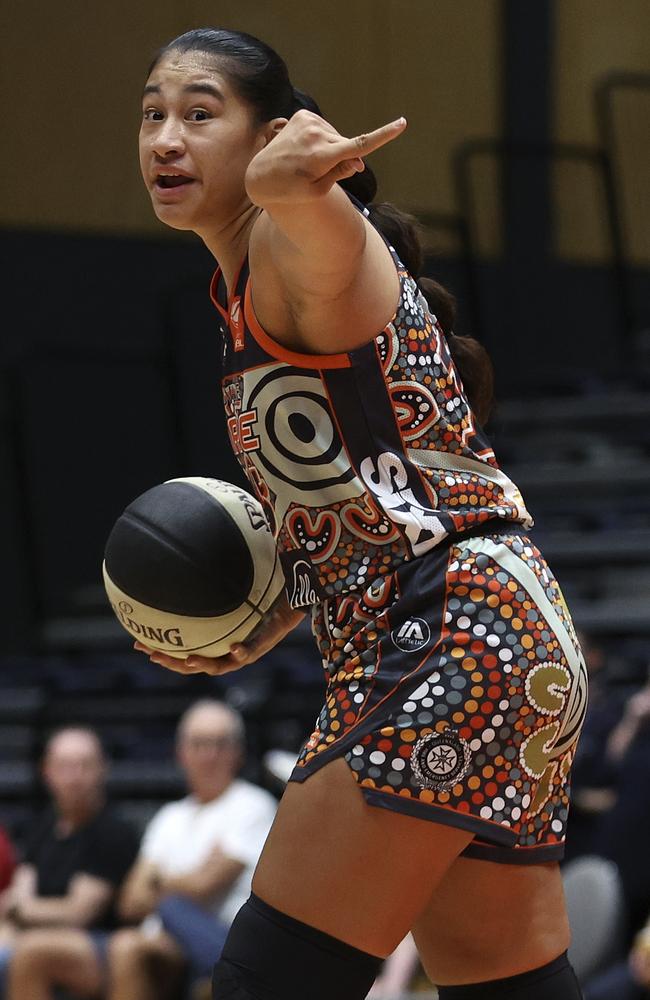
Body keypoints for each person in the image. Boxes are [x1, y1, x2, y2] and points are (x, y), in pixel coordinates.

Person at [134, 27, 588, 1000]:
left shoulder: (288, 242)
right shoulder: (248, 278)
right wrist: (279, 612)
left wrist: (297, 189)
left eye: (200, 114)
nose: (167, 137)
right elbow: (383, 503)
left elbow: (330, 247)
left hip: (443, 638)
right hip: (502, 637)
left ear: (268, 134)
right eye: (153, 114)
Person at [107, 699, 276, 1000]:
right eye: (199, 744)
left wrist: (158, 880)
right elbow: (129, 901)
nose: (209, 755)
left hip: (223, 942)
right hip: (167, 941)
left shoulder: (253, 805)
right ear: (181, 753)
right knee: (128, 944)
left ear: (238, 752)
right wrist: (188, 880)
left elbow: (205, 886)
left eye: (220, 744)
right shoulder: (169, 816)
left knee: (168, 912)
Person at [1, 726, 139, 1000]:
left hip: (96, 943)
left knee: (28, 952)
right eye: (64, 766)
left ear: (103, 769)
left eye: (84, 766)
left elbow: (78, 912)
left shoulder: (114, 832)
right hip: (36, 935)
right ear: (47, 771)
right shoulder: (43, 826)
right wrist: (18, 910)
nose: (74, 777)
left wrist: (20, 910)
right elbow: (20, 891)